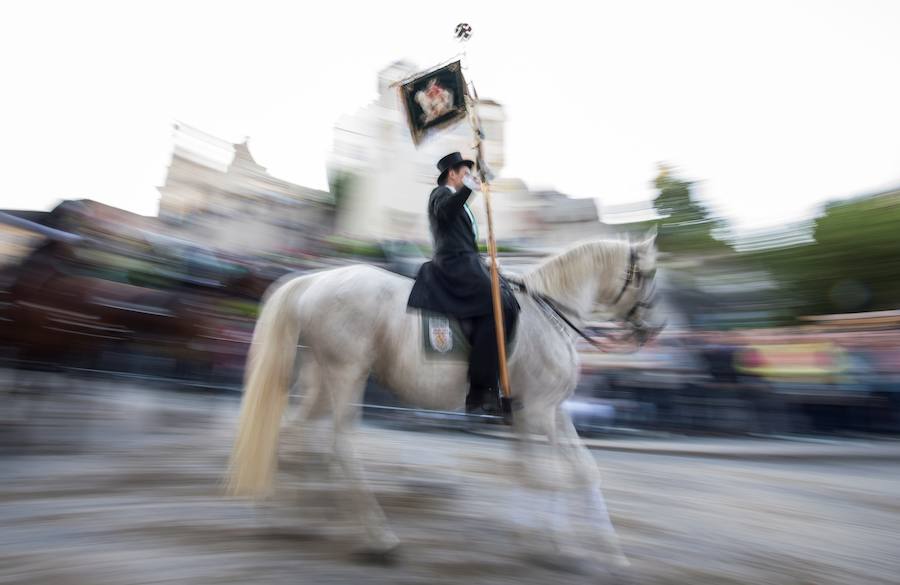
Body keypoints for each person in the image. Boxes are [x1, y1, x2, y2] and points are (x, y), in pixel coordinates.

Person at [408, 152, 519, 415]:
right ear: (452, 174)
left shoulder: (460, 201)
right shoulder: (440, 195)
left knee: (508, 300)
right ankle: (481, 391)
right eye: (464, 172)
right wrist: (473, 186)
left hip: (468, 263)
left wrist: (484, 262)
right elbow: (447, 212)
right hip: (452, 265)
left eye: (469, 173)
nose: (468, 176)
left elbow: (462, 239)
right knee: (496, 305)